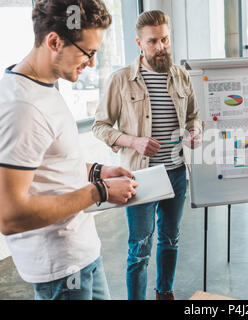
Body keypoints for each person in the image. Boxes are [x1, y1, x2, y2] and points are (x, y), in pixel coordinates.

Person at [0, 0, 139, 300]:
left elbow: (50, 165)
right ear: (54, 41)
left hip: (82, 251)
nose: (91, 63)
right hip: (60, 269)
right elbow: (9, 216)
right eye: (88, 53)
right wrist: (99, 191)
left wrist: (98, 171)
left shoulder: (44, 86)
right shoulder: (22, 108)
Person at [92, 10, 203, 300]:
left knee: (170, 239)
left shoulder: (180, 76)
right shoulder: (121, 80)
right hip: (139, 177)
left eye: (165, 39)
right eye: (153, 41)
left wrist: (194, 131)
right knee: (139, 247)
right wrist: (133, 141)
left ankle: (164, 292)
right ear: (140, 43)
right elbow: (100, 126)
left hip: (177, 173)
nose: (161, 47)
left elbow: (194, 116)